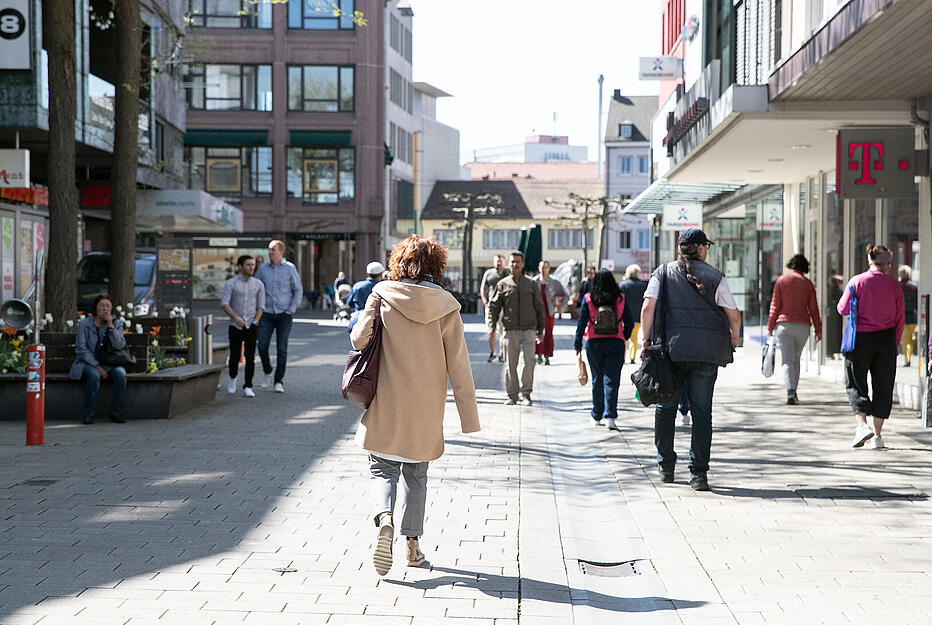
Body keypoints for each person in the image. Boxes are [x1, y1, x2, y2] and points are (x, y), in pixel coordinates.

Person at [350, 235, 480, 576]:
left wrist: (371, 314)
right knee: (417, 475)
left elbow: (358, 339)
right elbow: (460, 365)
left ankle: (385, 518)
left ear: (399, 263)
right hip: (426, 404)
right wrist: (469, 417)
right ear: (436, 266)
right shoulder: (448, 305)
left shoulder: (381, 295)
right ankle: (412, 547)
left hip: (387, 398)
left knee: (382, 467)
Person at [639, 228, 741, 491]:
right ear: (701, 248)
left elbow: (648, 306)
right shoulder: (715, 276)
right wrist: (735, 337)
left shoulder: (662, 273)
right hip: (706, 353)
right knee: (702, 412)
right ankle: (698, 474)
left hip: (670, 352)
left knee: (666, 408)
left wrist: (645, 341)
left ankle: (666, 466)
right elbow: (733, 313)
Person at [837, 245, 904, 450]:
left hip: (860, 339)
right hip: (886, 339)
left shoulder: (856, 281)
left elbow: (842, 308)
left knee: (856, 382)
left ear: (870, 261)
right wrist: (895, 341)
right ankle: (877, 436)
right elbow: (900, 318)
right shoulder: (894, 285)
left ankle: (862, 425)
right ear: (887, 264)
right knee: (883, 385)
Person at [574, 269, 633, 430]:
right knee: (612, 380)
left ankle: (596, 414)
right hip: (616, 342)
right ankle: (611, 416)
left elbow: (581, 323)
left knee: (597, 379)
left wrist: (577, 344)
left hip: (594, 343)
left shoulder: (589, 298)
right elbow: (630, 322)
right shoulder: (620, 298)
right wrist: (624, 337)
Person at [488, 251, 545, 406]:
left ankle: (526, 393)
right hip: (510, 329)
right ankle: (512, 395)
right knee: (510, 364)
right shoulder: (502, 284)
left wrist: (541, 329)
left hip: (529, 329)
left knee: (529, 360)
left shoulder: (531, 283)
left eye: (518, 262)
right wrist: (491, 327)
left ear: (523, 264)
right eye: (512, 262)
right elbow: (494, 307)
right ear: (509, 264)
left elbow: (540, 307)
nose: (515, 264)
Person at [767, 254, 822, 404]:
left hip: (784, 326)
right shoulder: (808, 284)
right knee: (796, 360)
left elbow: (775, 306)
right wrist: (818, 328)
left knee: (787, 360)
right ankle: (794, 391)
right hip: (802, 327)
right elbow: (813, 309)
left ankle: (790, 391)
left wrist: (770, 326)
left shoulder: (781, 281)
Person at [69, 294, 128, 424]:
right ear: (95, 308)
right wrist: (97, 366)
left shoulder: (117, 323)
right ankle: (89, 413)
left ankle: (116, 412)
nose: (104, 310)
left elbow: (119, 345)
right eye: (101, 306)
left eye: (108, 307)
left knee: (120, 374)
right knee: (94, 375)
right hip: (87, 363)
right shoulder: (85, 324)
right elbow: (81, 349)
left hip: (110, 363)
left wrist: (111, 327)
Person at [255, 240, 303, 393]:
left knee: (282, 348)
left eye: (273, 249)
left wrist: (292, 309)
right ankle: (268, 370)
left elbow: (298, 289)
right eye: (269, 249)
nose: (270, 252)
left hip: (284, 314)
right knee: (262, 345)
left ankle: (278, 381)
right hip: (266, 314)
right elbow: (255, 288)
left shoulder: (290, 268)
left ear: (281, 251)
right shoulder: (262, 269)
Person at [220, 254, 265, 398]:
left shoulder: (258, 284)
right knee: (234, 355)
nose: (251, 267)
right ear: (240, 267)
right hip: (235, 325)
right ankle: (232, 379)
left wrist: (256, 321)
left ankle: (248, 385)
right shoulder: (231, 283)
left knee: (250, 356)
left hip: (252, 324)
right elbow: (224, 303)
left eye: (252, 265)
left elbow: (261, 306)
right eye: (248, 265)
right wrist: (236, 317)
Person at [533, 260, 566, 365]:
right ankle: (538, 354)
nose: (544, 269)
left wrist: (562, 307)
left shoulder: (554, 282)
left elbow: (565, 295)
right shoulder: (534, 281)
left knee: (548, 334)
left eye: (546, 267)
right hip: (536, 312)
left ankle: (547, 355)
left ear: (549, 268)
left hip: (549, 311)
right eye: (542, 267)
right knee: (537, 332)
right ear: (539, 268)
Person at [480, 254, 510, 363]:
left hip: (505, 306)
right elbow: (483, 288)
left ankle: (502, 354)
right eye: (497, 261)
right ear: (494, 262)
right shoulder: (489, 273)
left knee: (503, 331)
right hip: (491, 306)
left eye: (500, 261)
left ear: (504, 262)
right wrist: (485, 302)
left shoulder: (508, 273)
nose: (499, 263)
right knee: (491, 331)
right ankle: (492, 353)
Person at [618, 264, 648, 364]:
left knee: (624, 336)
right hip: (637, 316)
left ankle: (622, 356)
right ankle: (632, 357)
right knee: (634, 337)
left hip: (624, 316)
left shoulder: (622, 285)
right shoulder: (643, 285)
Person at [898, 265, 918, 367]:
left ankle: (907, 358)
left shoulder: (898, 286)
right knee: (911, 337)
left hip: (903, 316)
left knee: (905, 339)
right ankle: (909, 356)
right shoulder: (914, 286)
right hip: (913, 315)